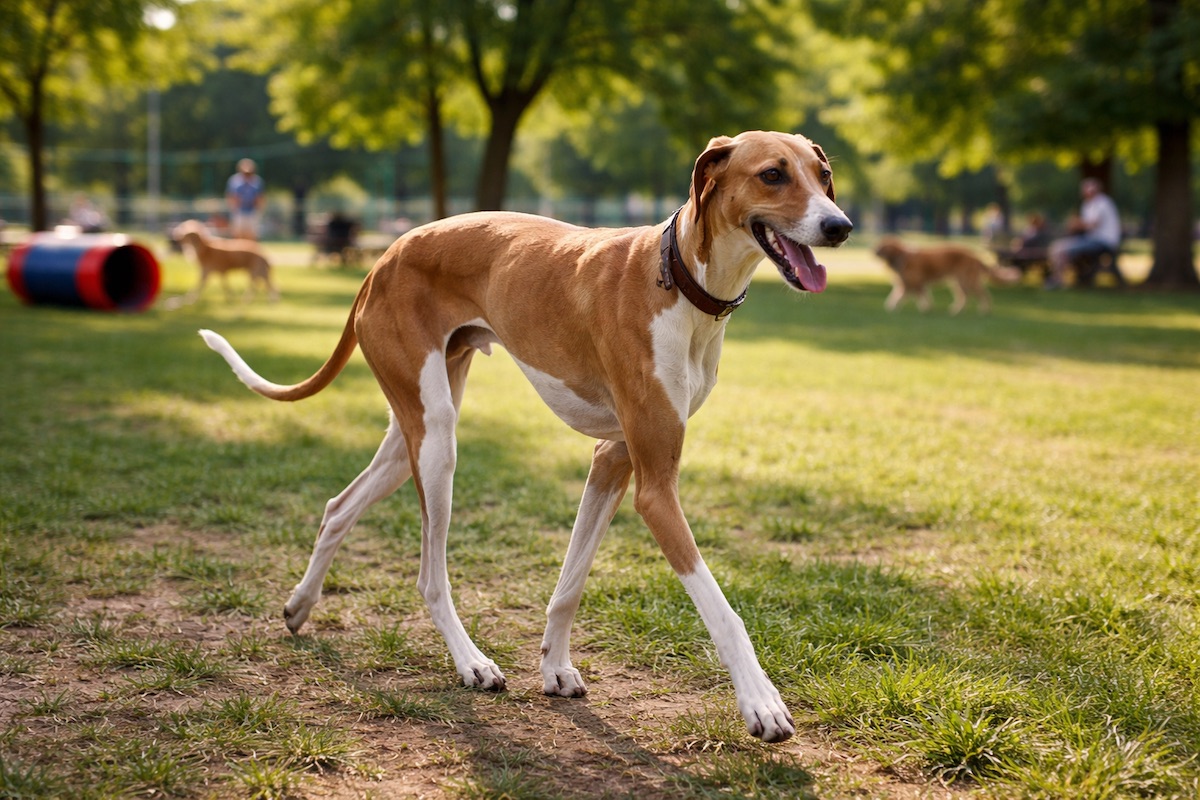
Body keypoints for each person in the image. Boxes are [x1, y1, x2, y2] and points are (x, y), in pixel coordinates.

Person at [1045, 179, 1121, 288]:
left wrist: (1076, 224)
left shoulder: (1103, 202)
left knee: (1061, 249)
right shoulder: (1087, 205)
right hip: (1092, 239)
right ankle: (1059, 278)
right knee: (1057, 248)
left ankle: (1058, 280)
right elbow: (1086, 226)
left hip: (1103, 241)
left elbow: (1094, 224)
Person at [225, 158, 265, 240]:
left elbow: (260, 197)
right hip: (239, 211)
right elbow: (230, 196)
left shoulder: (257, 181)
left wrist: (259, 210)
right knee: (238, 234)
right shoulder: (234, 181)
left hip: (252, 211)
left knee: (252, 234)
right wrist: (233, 209)